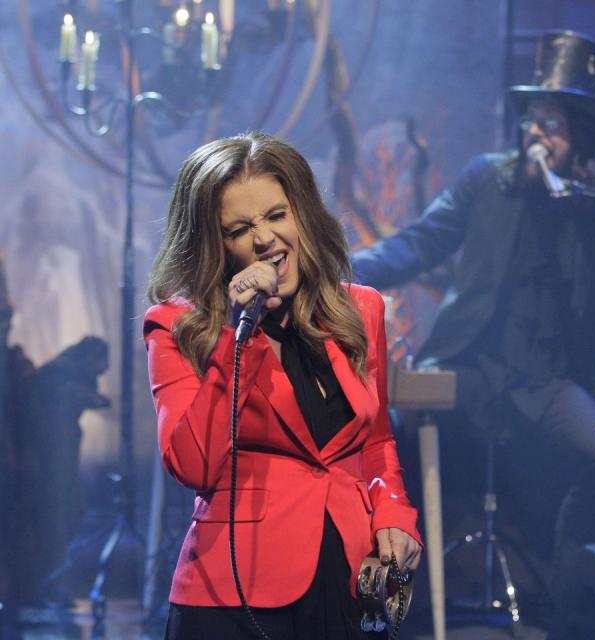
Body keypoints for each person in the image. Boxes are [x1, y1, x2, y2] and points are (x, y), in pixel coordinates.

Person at [351, 30, 595, 631]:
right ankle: (397, 612)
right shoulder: (489, 179)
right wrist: (339, 271)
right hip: (467, 370)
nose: (538, 133)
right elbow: (419, 243)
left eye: (554, 123)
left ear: (581, 136)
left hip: (547, 383)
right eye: (533, 120)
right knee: (393, 444)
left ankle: (567, 613)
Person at [144, 131, 422, 639]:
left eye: (277, 215)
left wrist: (395, 513)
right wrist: (237, 333)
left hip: (347, 583)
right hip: (235, 592)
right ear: (214, 244)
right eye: (240, 228)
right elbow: (193, 465)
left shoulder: (360, 310)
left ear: (303, 216)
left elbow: (376, 442)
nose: (265, 239)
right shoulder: (177, 327)